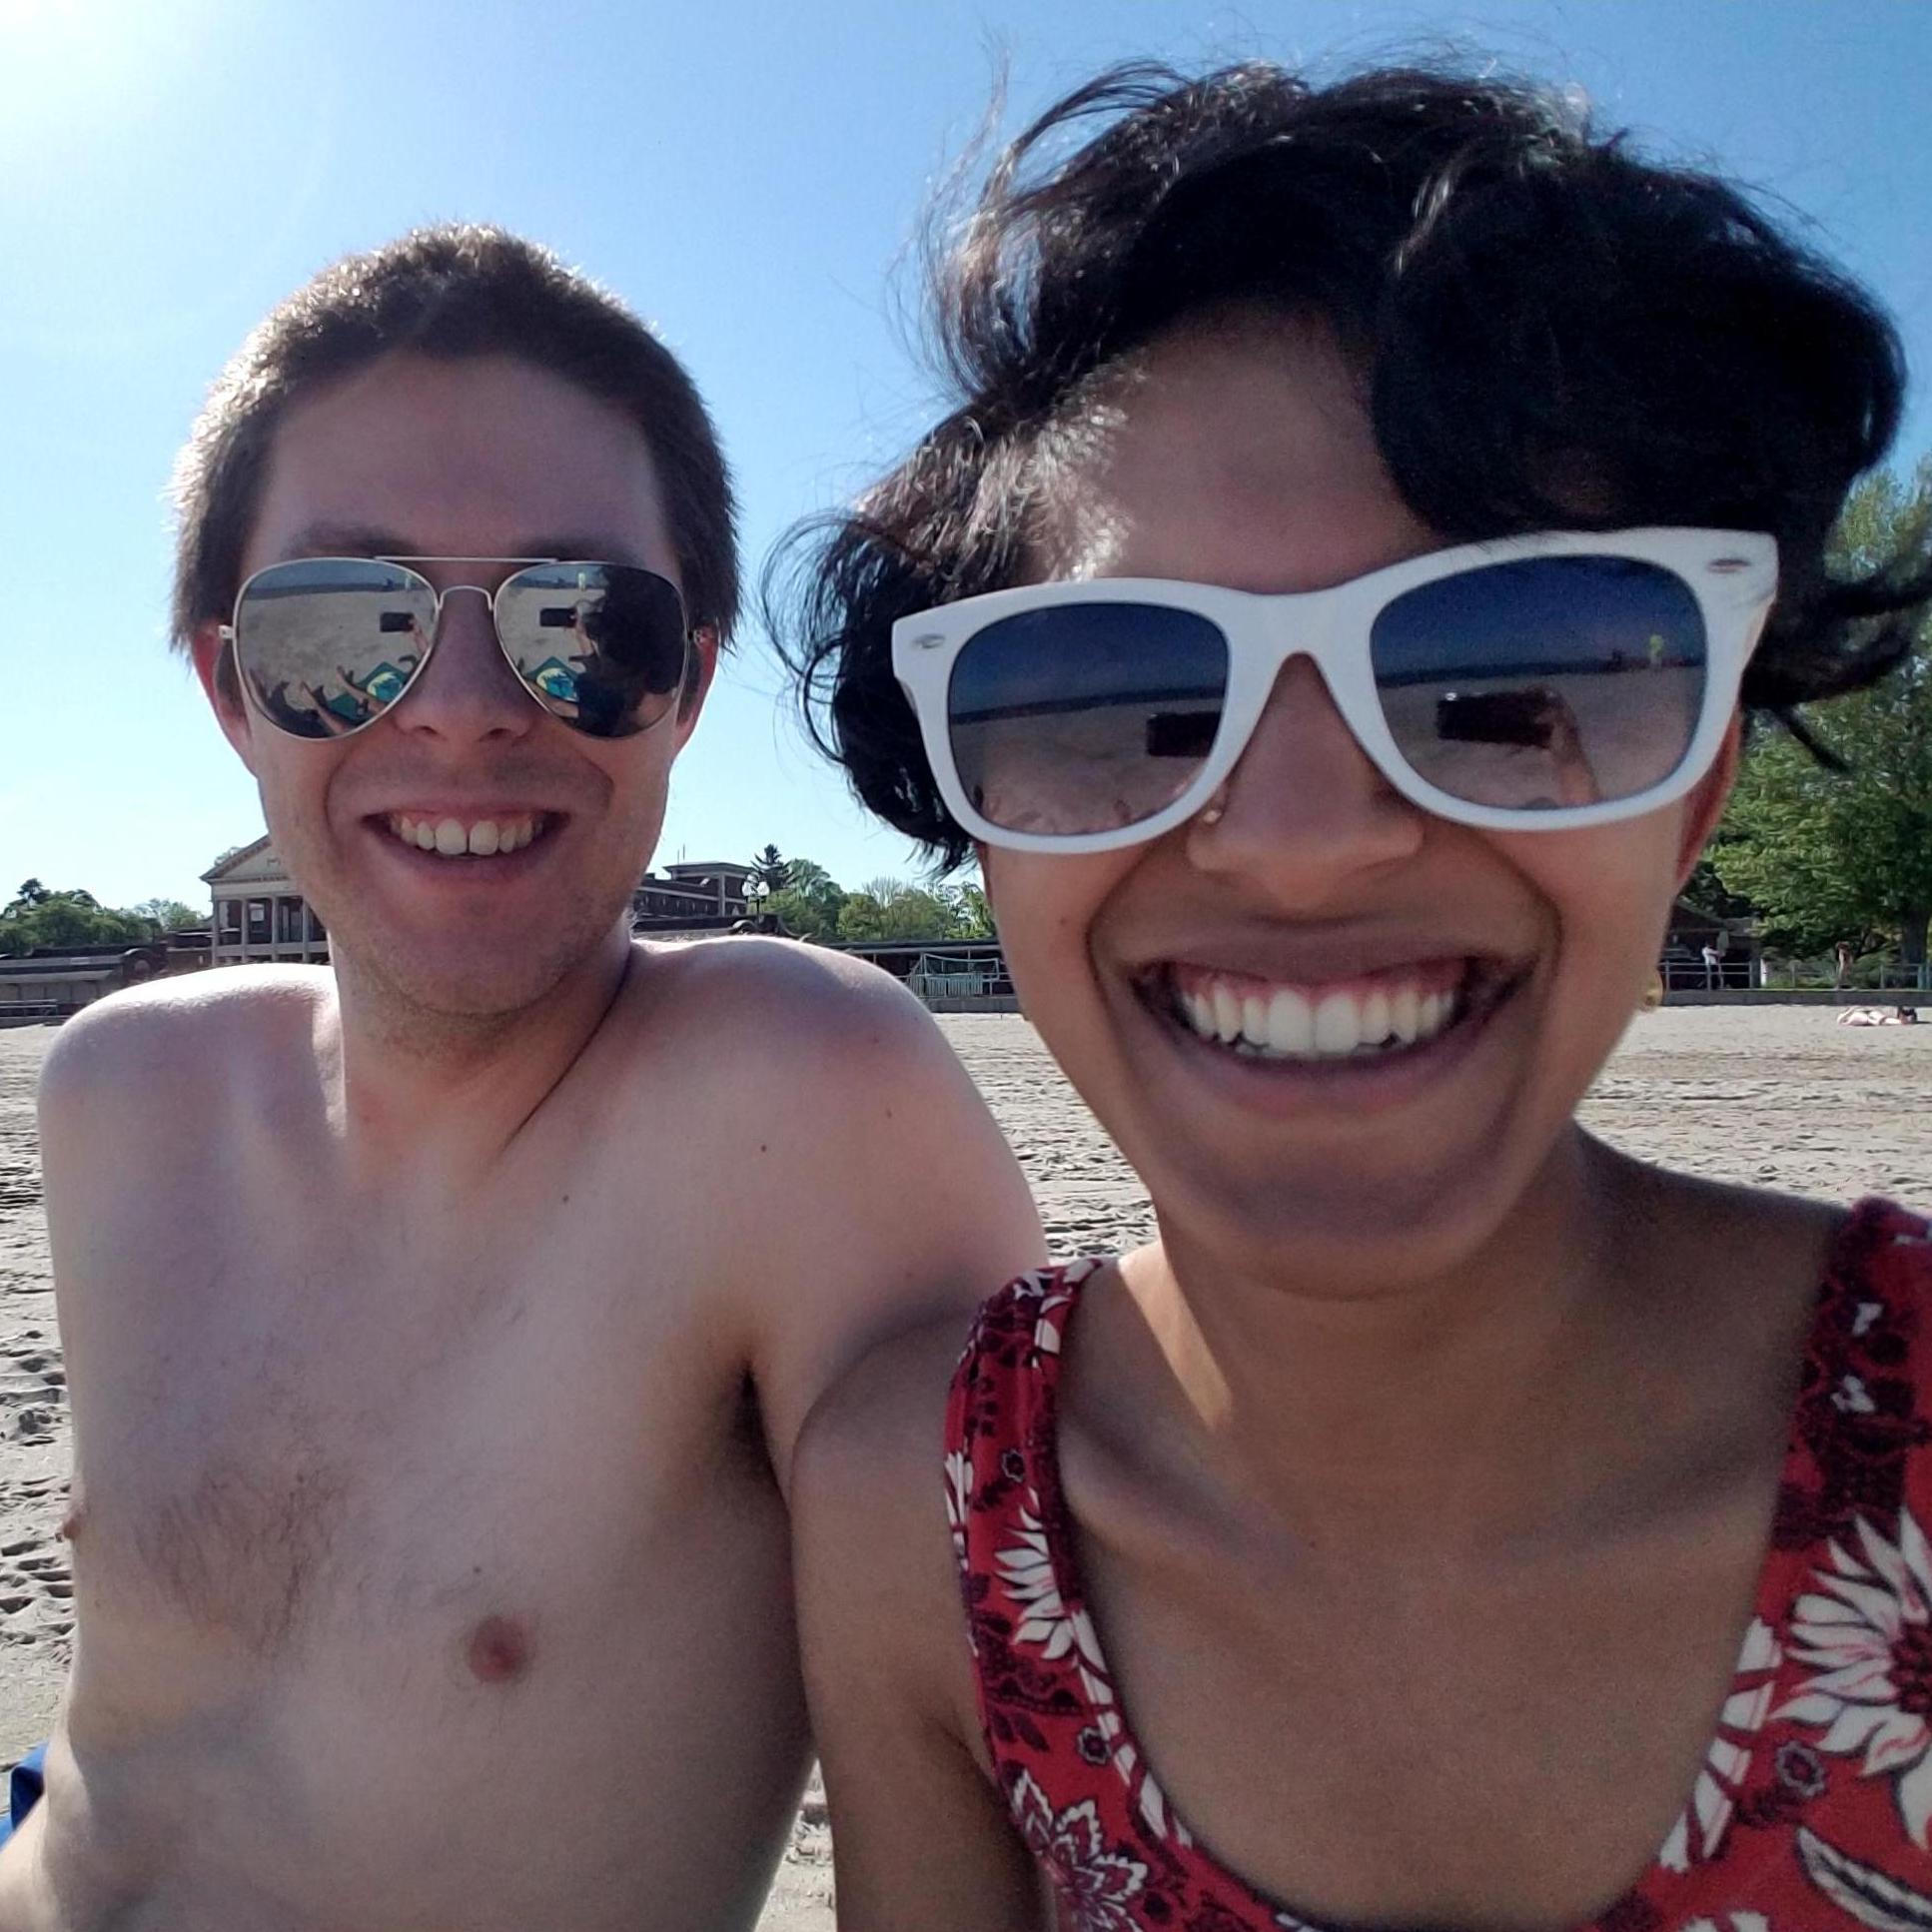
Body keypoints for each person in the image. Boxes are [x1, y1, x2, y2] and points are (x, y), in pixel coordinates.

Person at [780, 62, 1932, 1929]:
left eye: (1499, 680)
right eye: (1117, 698)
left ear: (1694, 784)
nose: (1302, 841)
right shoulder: (914, 1516)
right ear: (987, 832)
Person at [0, 225, 1043, 1931]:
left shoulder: (798, 1096)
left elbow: (1023, 1778)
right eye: (348, 622)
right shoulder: (124, 1089)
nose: (470, 710)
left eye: (583, 624)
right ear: (229, 688)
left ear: (688, 688)